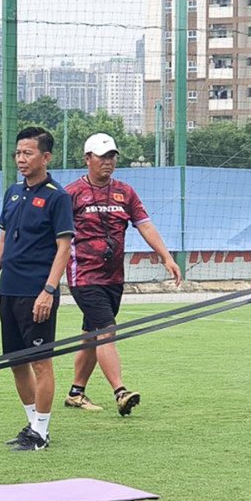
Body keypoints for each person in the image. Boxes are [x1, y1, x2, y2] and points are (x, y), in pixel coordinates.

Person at [63, 133, 181, 414]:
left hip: (114, 278)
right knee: (106, 332)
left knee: (90, 335)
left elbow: (145, 226)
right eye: (103, 156)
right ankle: (120, 391)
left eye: (112, 156)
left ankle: (76, 393)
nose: (109, 161)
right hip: (84, 277)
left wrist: (166, 257)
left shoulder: (125, 192)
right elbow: (56, 238)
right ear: (87, 159)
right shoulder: (71, 194)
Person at [0, 126, 73, 451]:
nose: (21, 159)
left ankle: (41, 433)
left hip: (38, 293)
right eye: (18, 153)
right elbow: (3, 240)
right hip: (10, 290)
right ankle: (32, 425)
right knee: (16, 361)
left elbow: (64, 249)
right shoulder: (13, 192)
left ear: (45, 157)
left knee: (41, 362)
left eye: (28, 153)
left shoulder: (57, 197)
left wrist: (49, 289)